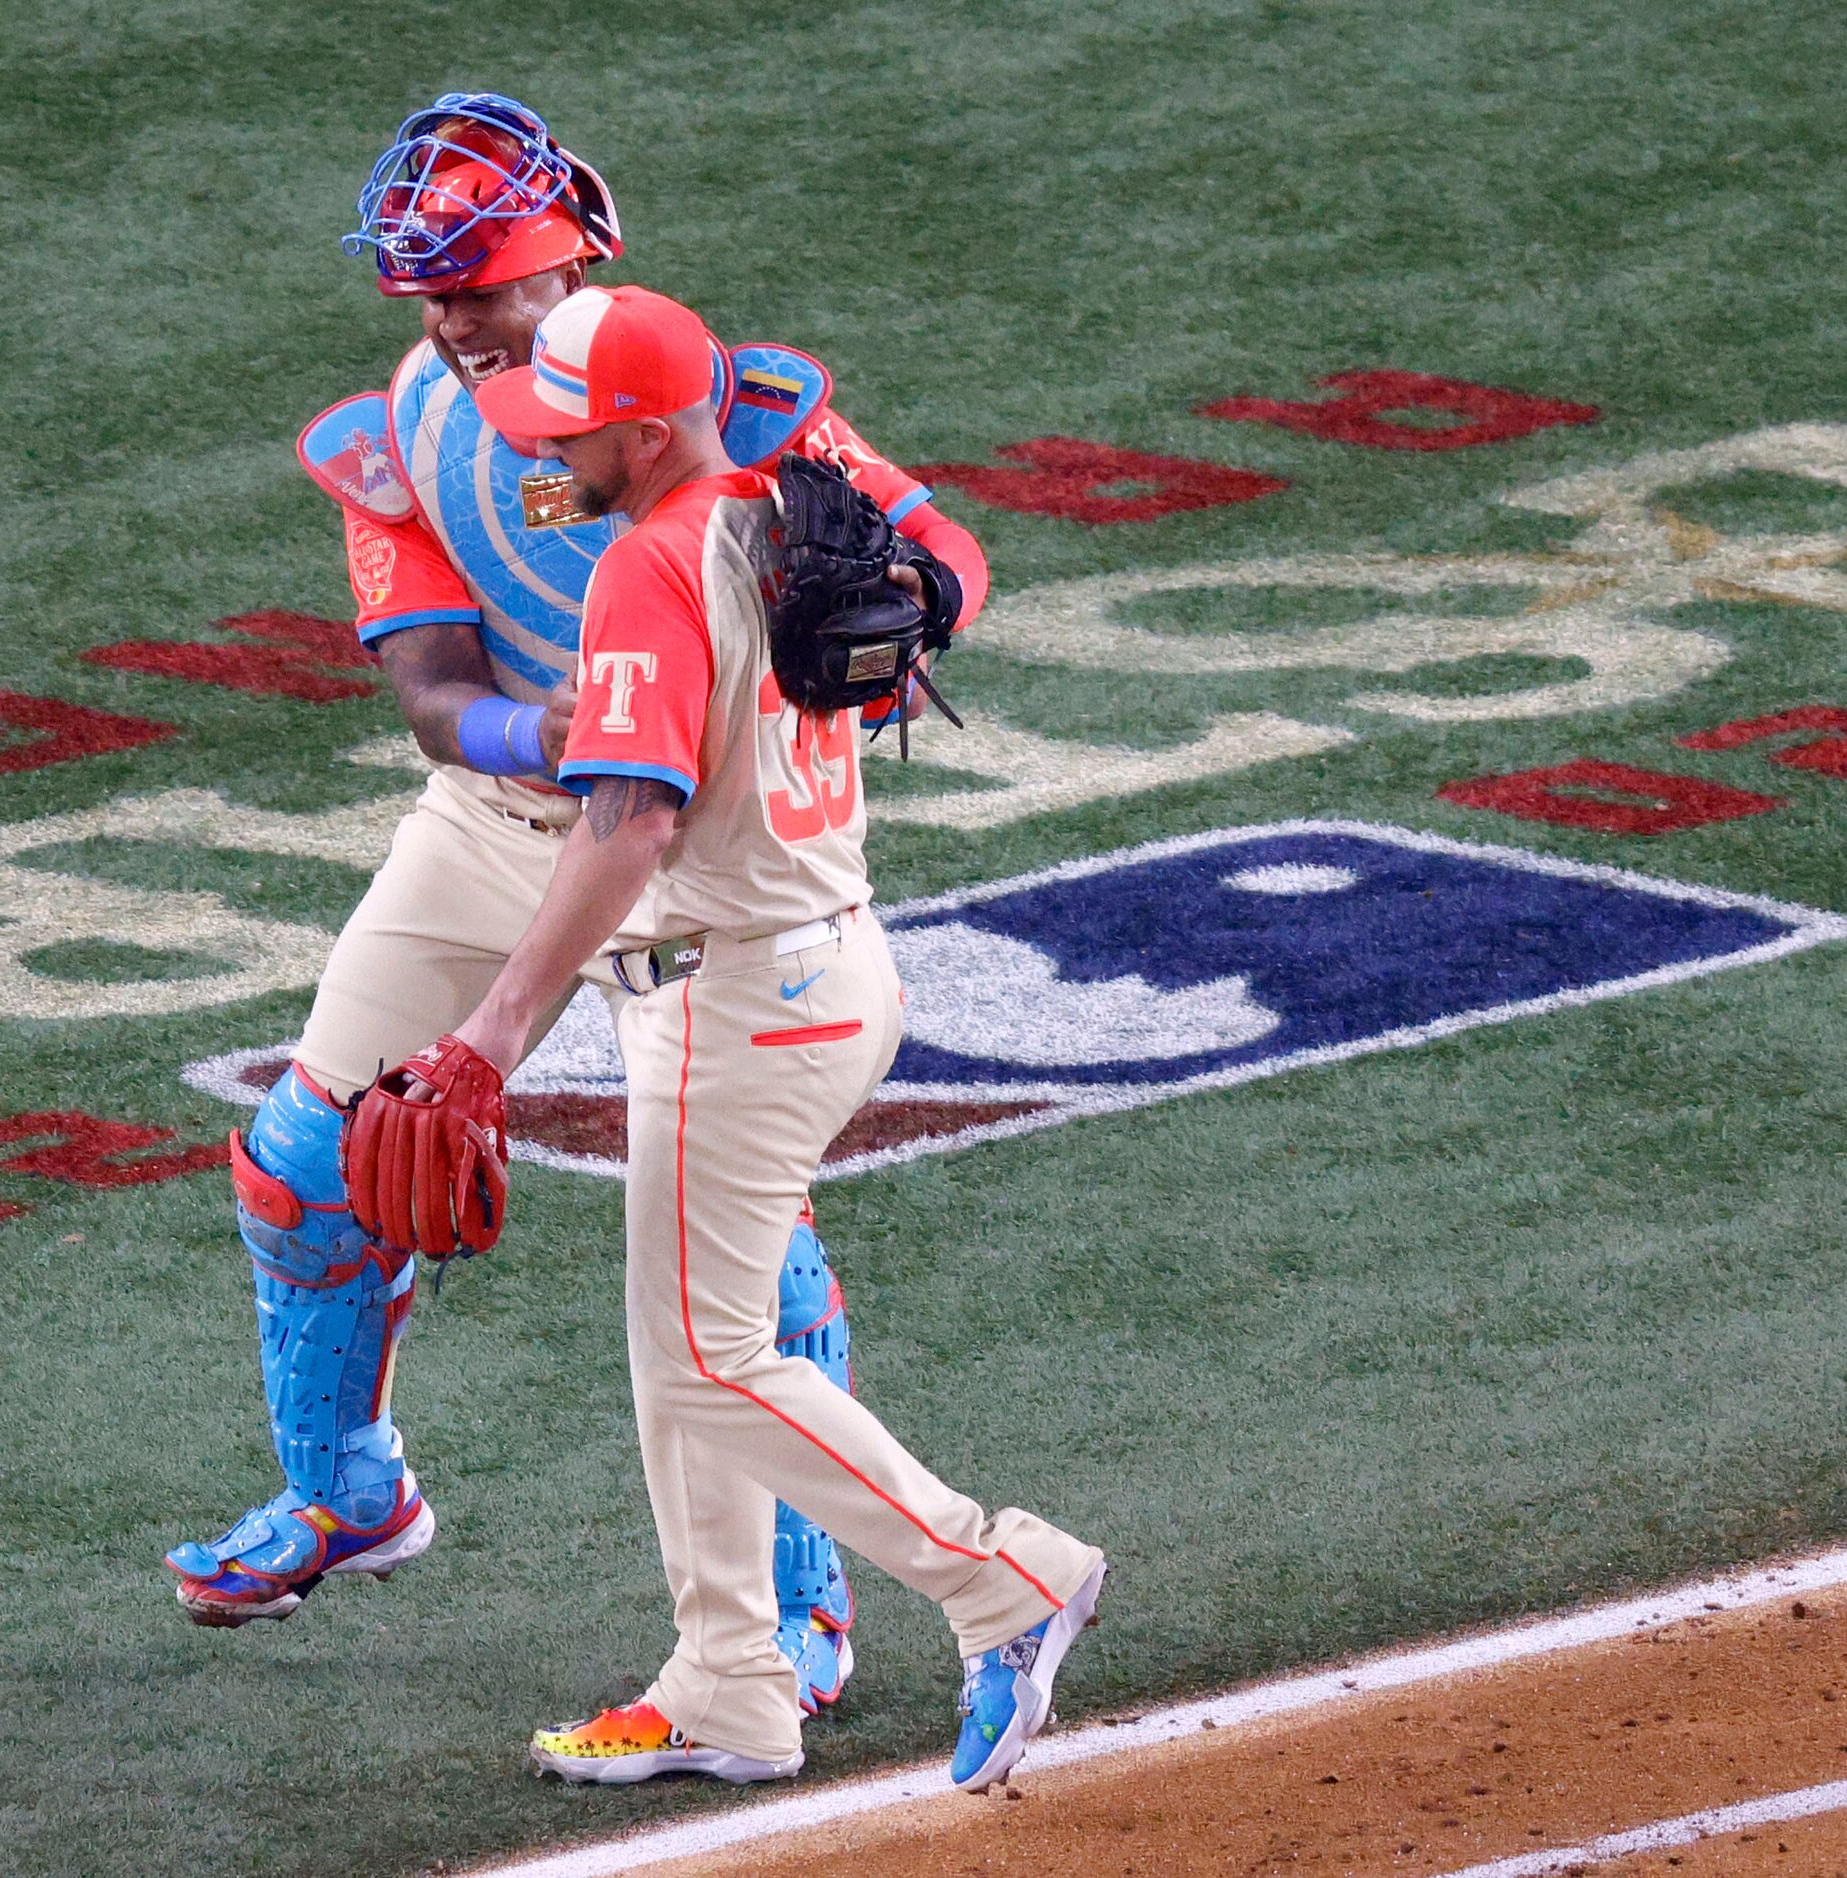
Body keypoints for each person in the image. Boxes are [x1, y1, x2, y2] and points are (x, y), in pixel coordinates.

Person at [163, 93, 990, 1724]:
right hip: (493, 823)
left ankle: (806, 1620)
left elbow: (945, 545)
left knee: (736, 1275)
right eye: (435, 288)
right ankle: (353, 1493)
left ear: (575, 259)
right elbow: (428, 690)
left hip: (691, 858)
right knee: (298, 1168)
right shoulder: (398, 438)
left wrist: (907, 609)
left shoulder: (713, 406)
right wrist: (536, 732)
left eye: (485, 280)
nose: (459, 316)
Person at [423, 283, 1105, 1790]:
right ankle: (730, 1677)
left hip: (741, 1002)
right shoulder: (780, 515)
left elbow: (628, 822)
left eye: (572, 429)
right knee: (680, 1360)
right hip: (823, 965)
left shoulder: (654, 570)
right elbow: (913, 560)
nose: (547, 447)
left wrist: (490, 1032)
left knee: (718, 1356)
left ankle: (1004, 1577)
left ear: (650, 430)